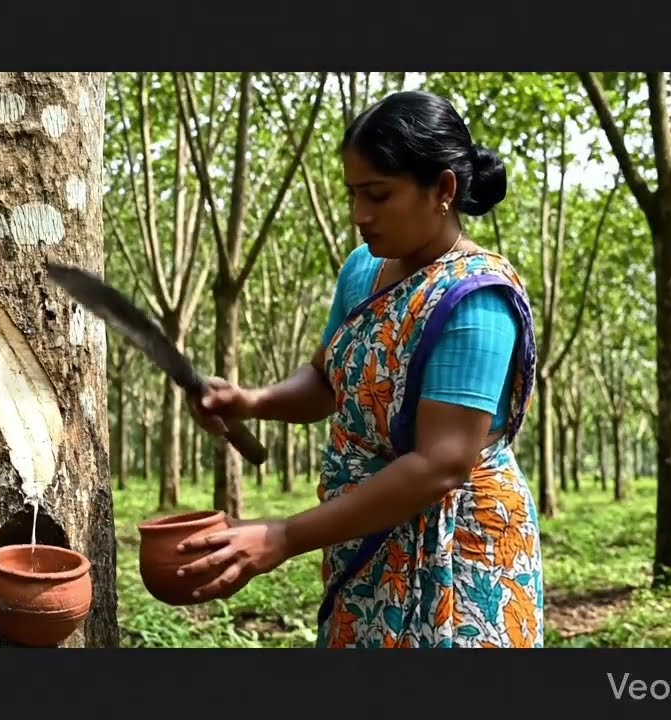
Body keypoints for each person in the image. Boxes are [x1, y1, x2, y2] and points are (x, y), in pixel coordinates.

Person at [179, 90, 543, 649]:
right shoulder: (361, 271)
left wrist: (283, 536)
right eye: (352, 194)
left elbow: (440, 464)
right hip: (364, 536)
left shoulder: (476, 301)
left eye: (378, 195)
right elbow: (327, 380)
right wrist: (250, 401)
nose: (359, 216)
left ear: (443, 190)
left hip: (461, 556)